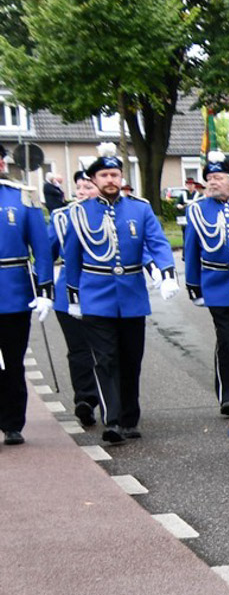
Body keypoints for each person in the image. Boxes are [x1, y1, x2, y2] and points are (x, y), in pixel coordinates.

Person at [61, 144, 177, 444]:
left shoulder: (140, 208)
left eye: (115, 174)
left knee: (130, 359)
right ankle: (112, 420)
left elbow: (158, 242)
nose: (111, 179)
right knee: (106, 359)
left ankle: (129, 419)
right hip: (96, 295)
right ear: (94, 179)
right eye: (104, 175)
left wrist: (166, 273)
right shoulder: (79, 213)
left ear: (122, 177)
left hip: (132, 296)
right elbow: (71, 257)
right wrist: (73, 296)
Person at [181, 150, 229, 416]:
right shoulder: (197, 209)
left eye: (218, 178)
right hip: (216, 283)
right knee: (227, 338)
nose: (212, 182)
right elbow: (191, 249)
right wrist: (194, 285)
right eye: (210, 178)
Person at [0, 146, 55, 445]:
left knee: (12, 361)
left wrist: (44, 289)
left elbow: (41, 248)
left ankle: (12, 423)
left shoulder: (22, 196)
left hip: (13, 292)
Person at [48, 175, 102, 427]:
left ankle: (113, 401)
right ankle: (85, 399)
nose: (81, 191)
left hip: (101, 293)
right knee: (79, 349)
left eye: (87, 187)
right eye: (78, 187)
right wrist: (40, 285)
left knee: (106, 351)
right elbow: (46, 252)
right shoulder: (62, 217)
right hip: (68, 294)